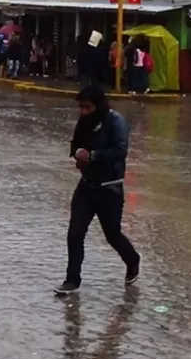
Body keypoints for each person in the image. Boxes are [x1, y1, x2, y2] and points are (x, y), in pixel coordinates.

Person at [56, 84, 140, 295]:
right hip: (87, 186)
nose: (83, 112)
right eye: (81, 108)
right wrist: (78, 155)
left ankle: (132, 259)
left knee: (112, 234)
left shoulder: (116, 122)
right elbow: (76, 146)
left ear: (99, 105)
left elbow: (120, 151)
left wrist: (93, 156)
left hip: (109, 189)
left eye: (87, 107)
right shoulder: (84, 122)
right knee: (75, 233)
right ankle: (72, 280)